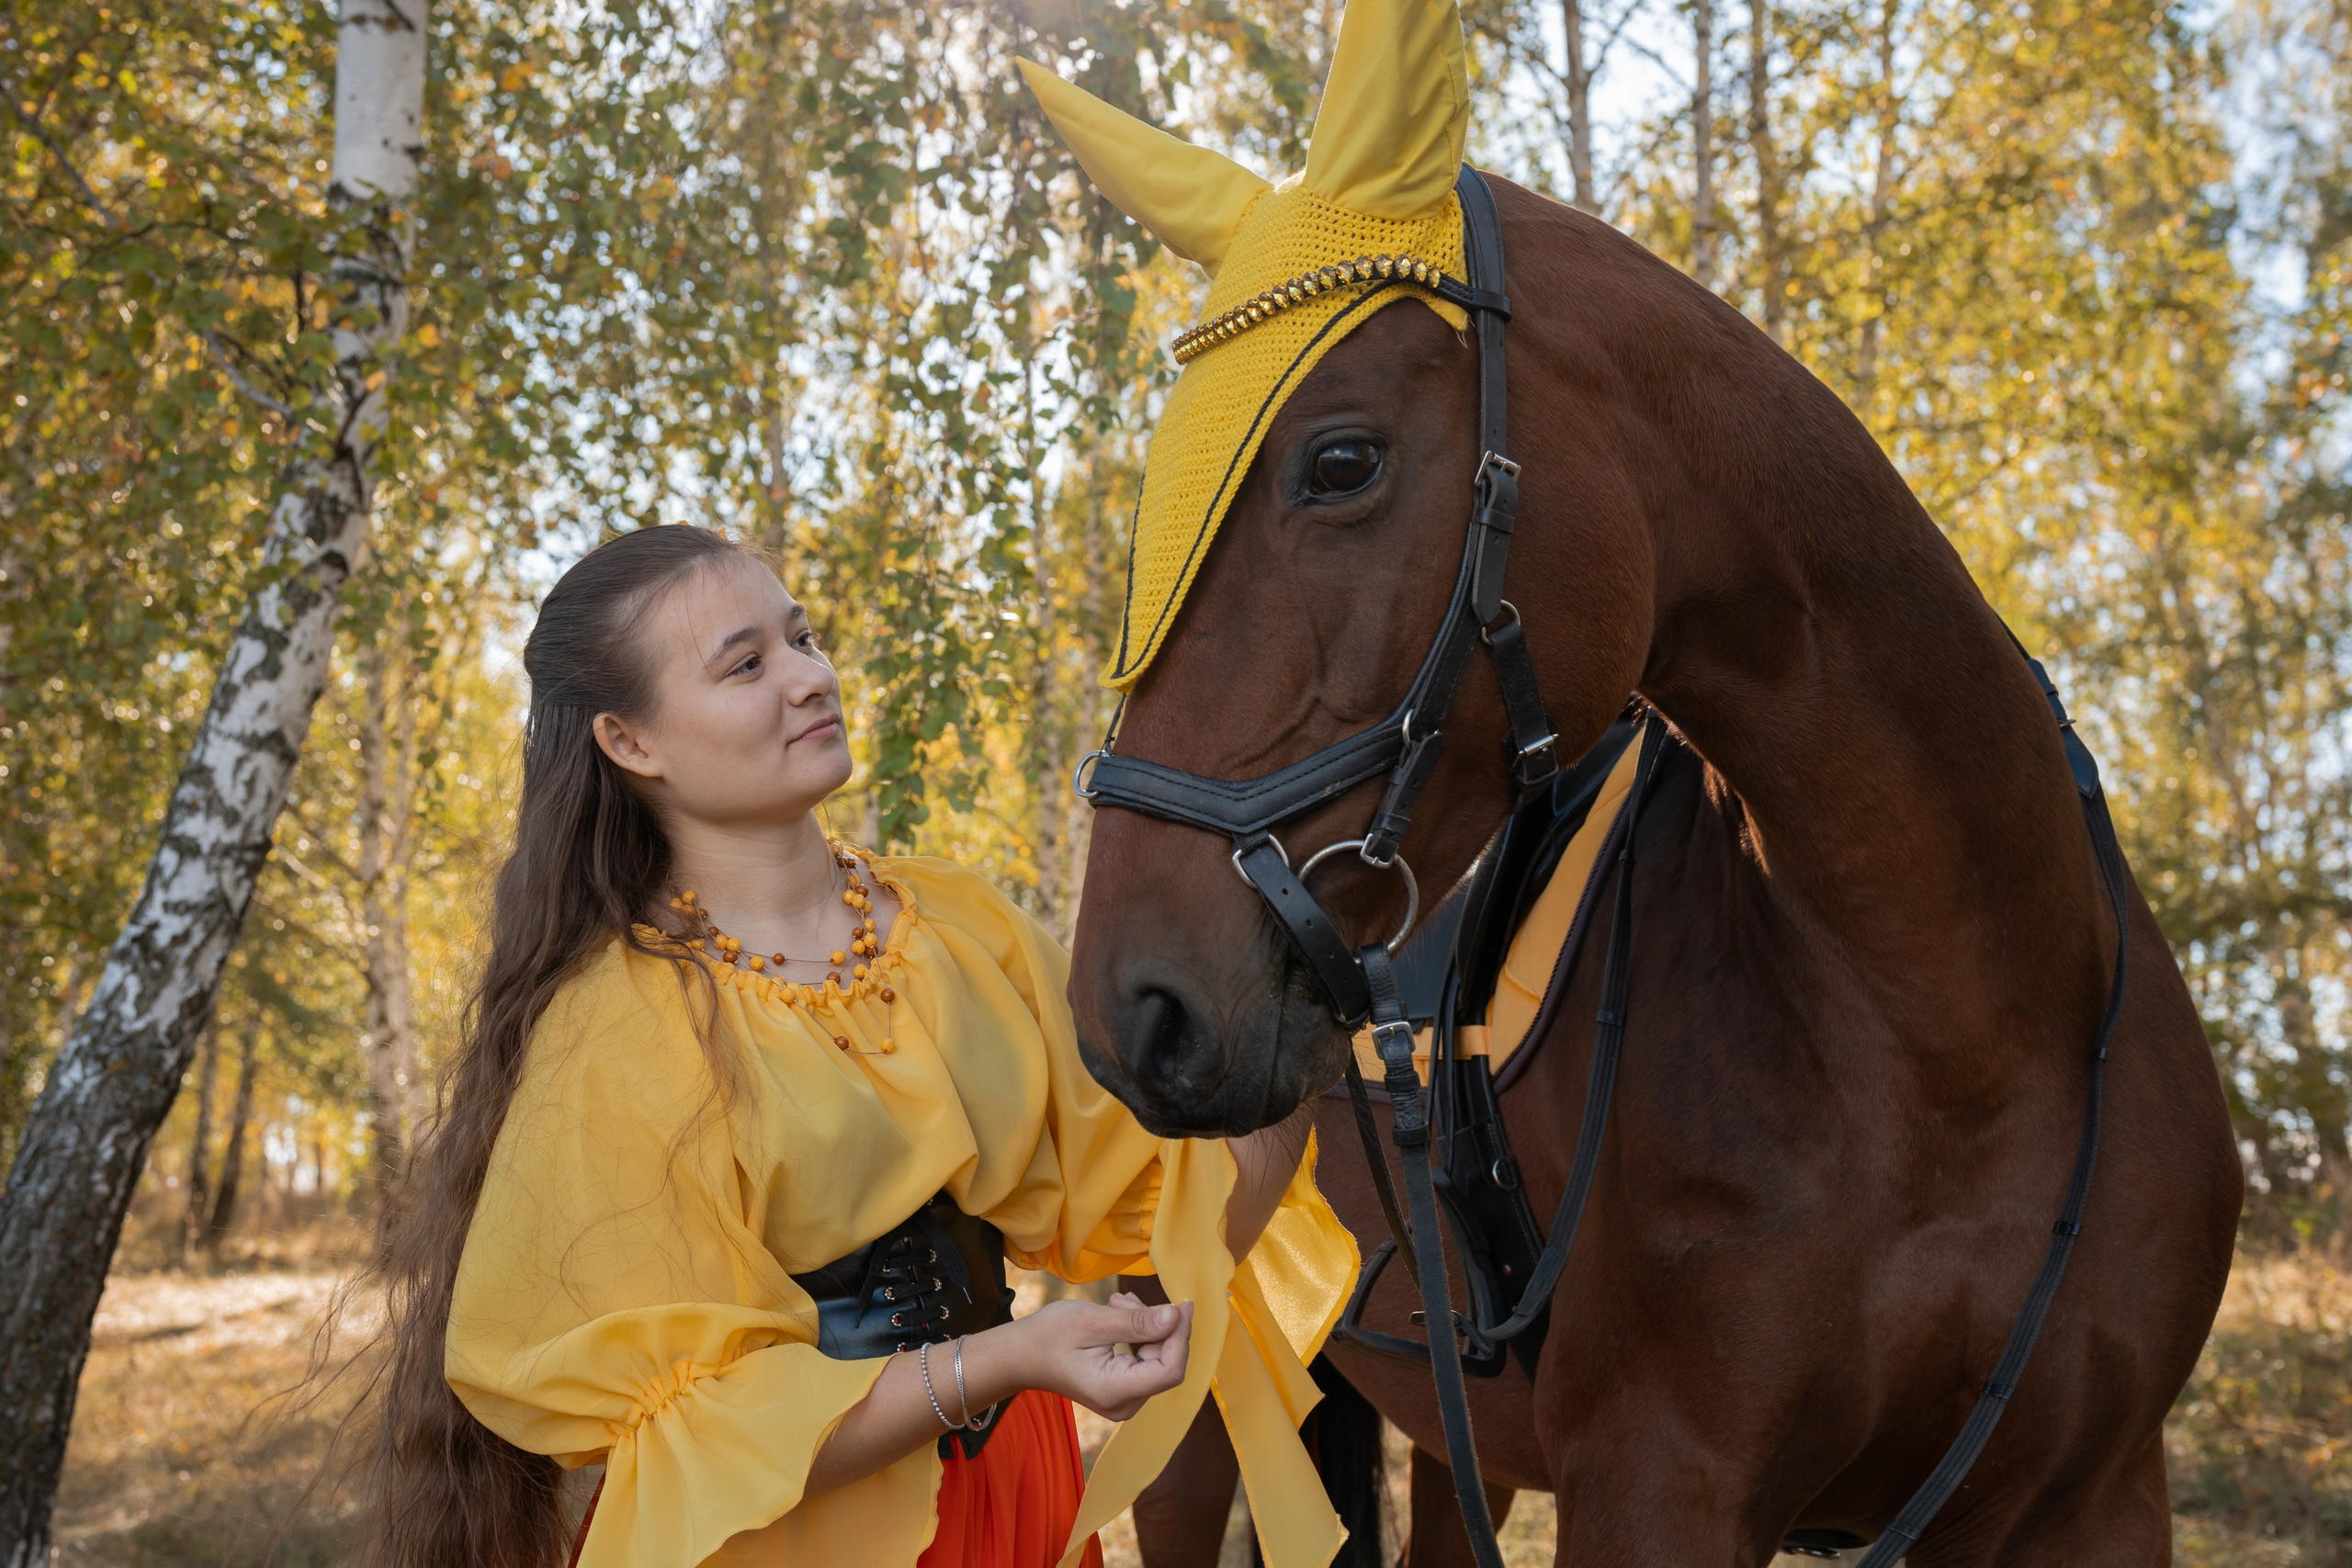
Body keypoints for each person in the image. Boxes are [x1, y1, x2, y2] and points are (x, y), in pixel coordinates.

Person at [361, 525, 1356, 1568]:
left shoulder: (961, 928)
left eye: (802, 638)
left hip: (1022, 1484)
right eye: (746, 665)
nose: (809, 677)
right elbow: (701, 1430)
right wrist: (1002, 1357)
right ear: (631, 741)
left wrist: (1297, 1010)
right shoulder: (619, 1025)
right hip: (796, 1534)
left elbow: (1170, 1207)